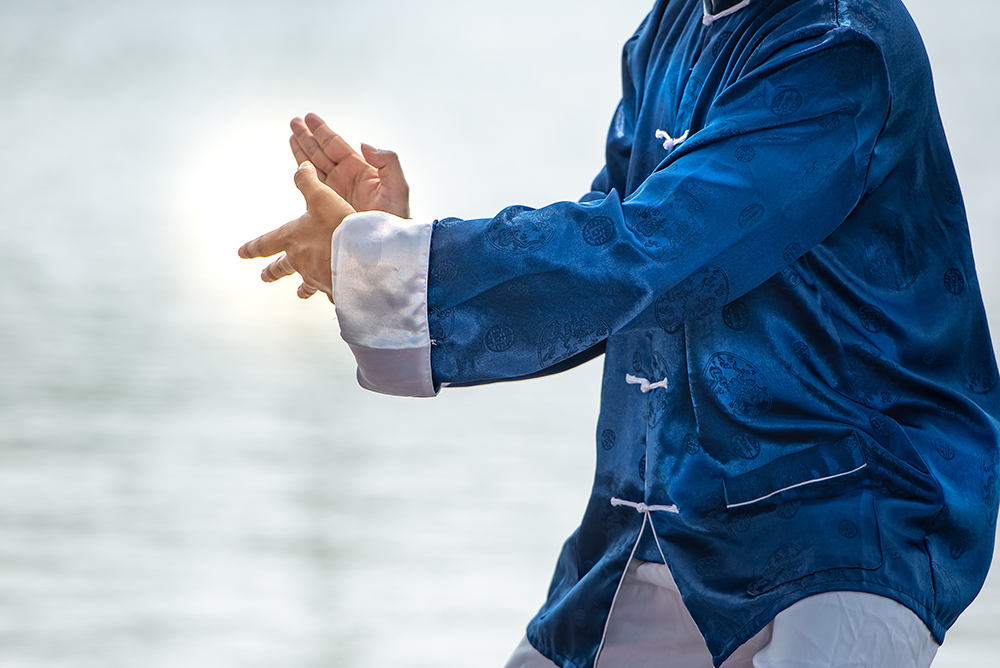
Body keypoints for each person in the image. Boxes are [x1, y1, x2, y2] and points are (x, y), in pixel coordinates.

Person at [239, 0, 1000, 666]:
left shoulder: (839, 41)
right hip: (656, 523)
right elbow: (610, 261)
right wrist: (401, 249)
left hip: (844, 522)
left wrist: (402, 269)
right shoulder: (671, 27)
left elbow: (655, 249)